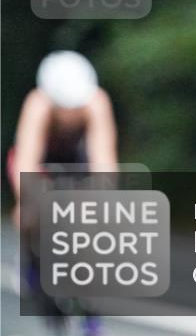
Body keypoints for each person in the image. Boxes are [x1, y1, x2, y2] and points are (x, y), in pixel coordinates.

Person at [8, 50, 117, 336]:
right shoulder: (38, 104)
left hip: (78, 164)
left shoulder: (96, 102)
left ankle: (92, 312)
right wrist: (28, 202)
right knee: (30, 214)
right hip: (41, 165)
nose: (70, 115)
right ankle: (32, 263)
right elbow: (26, 161)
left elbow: (104, 160)